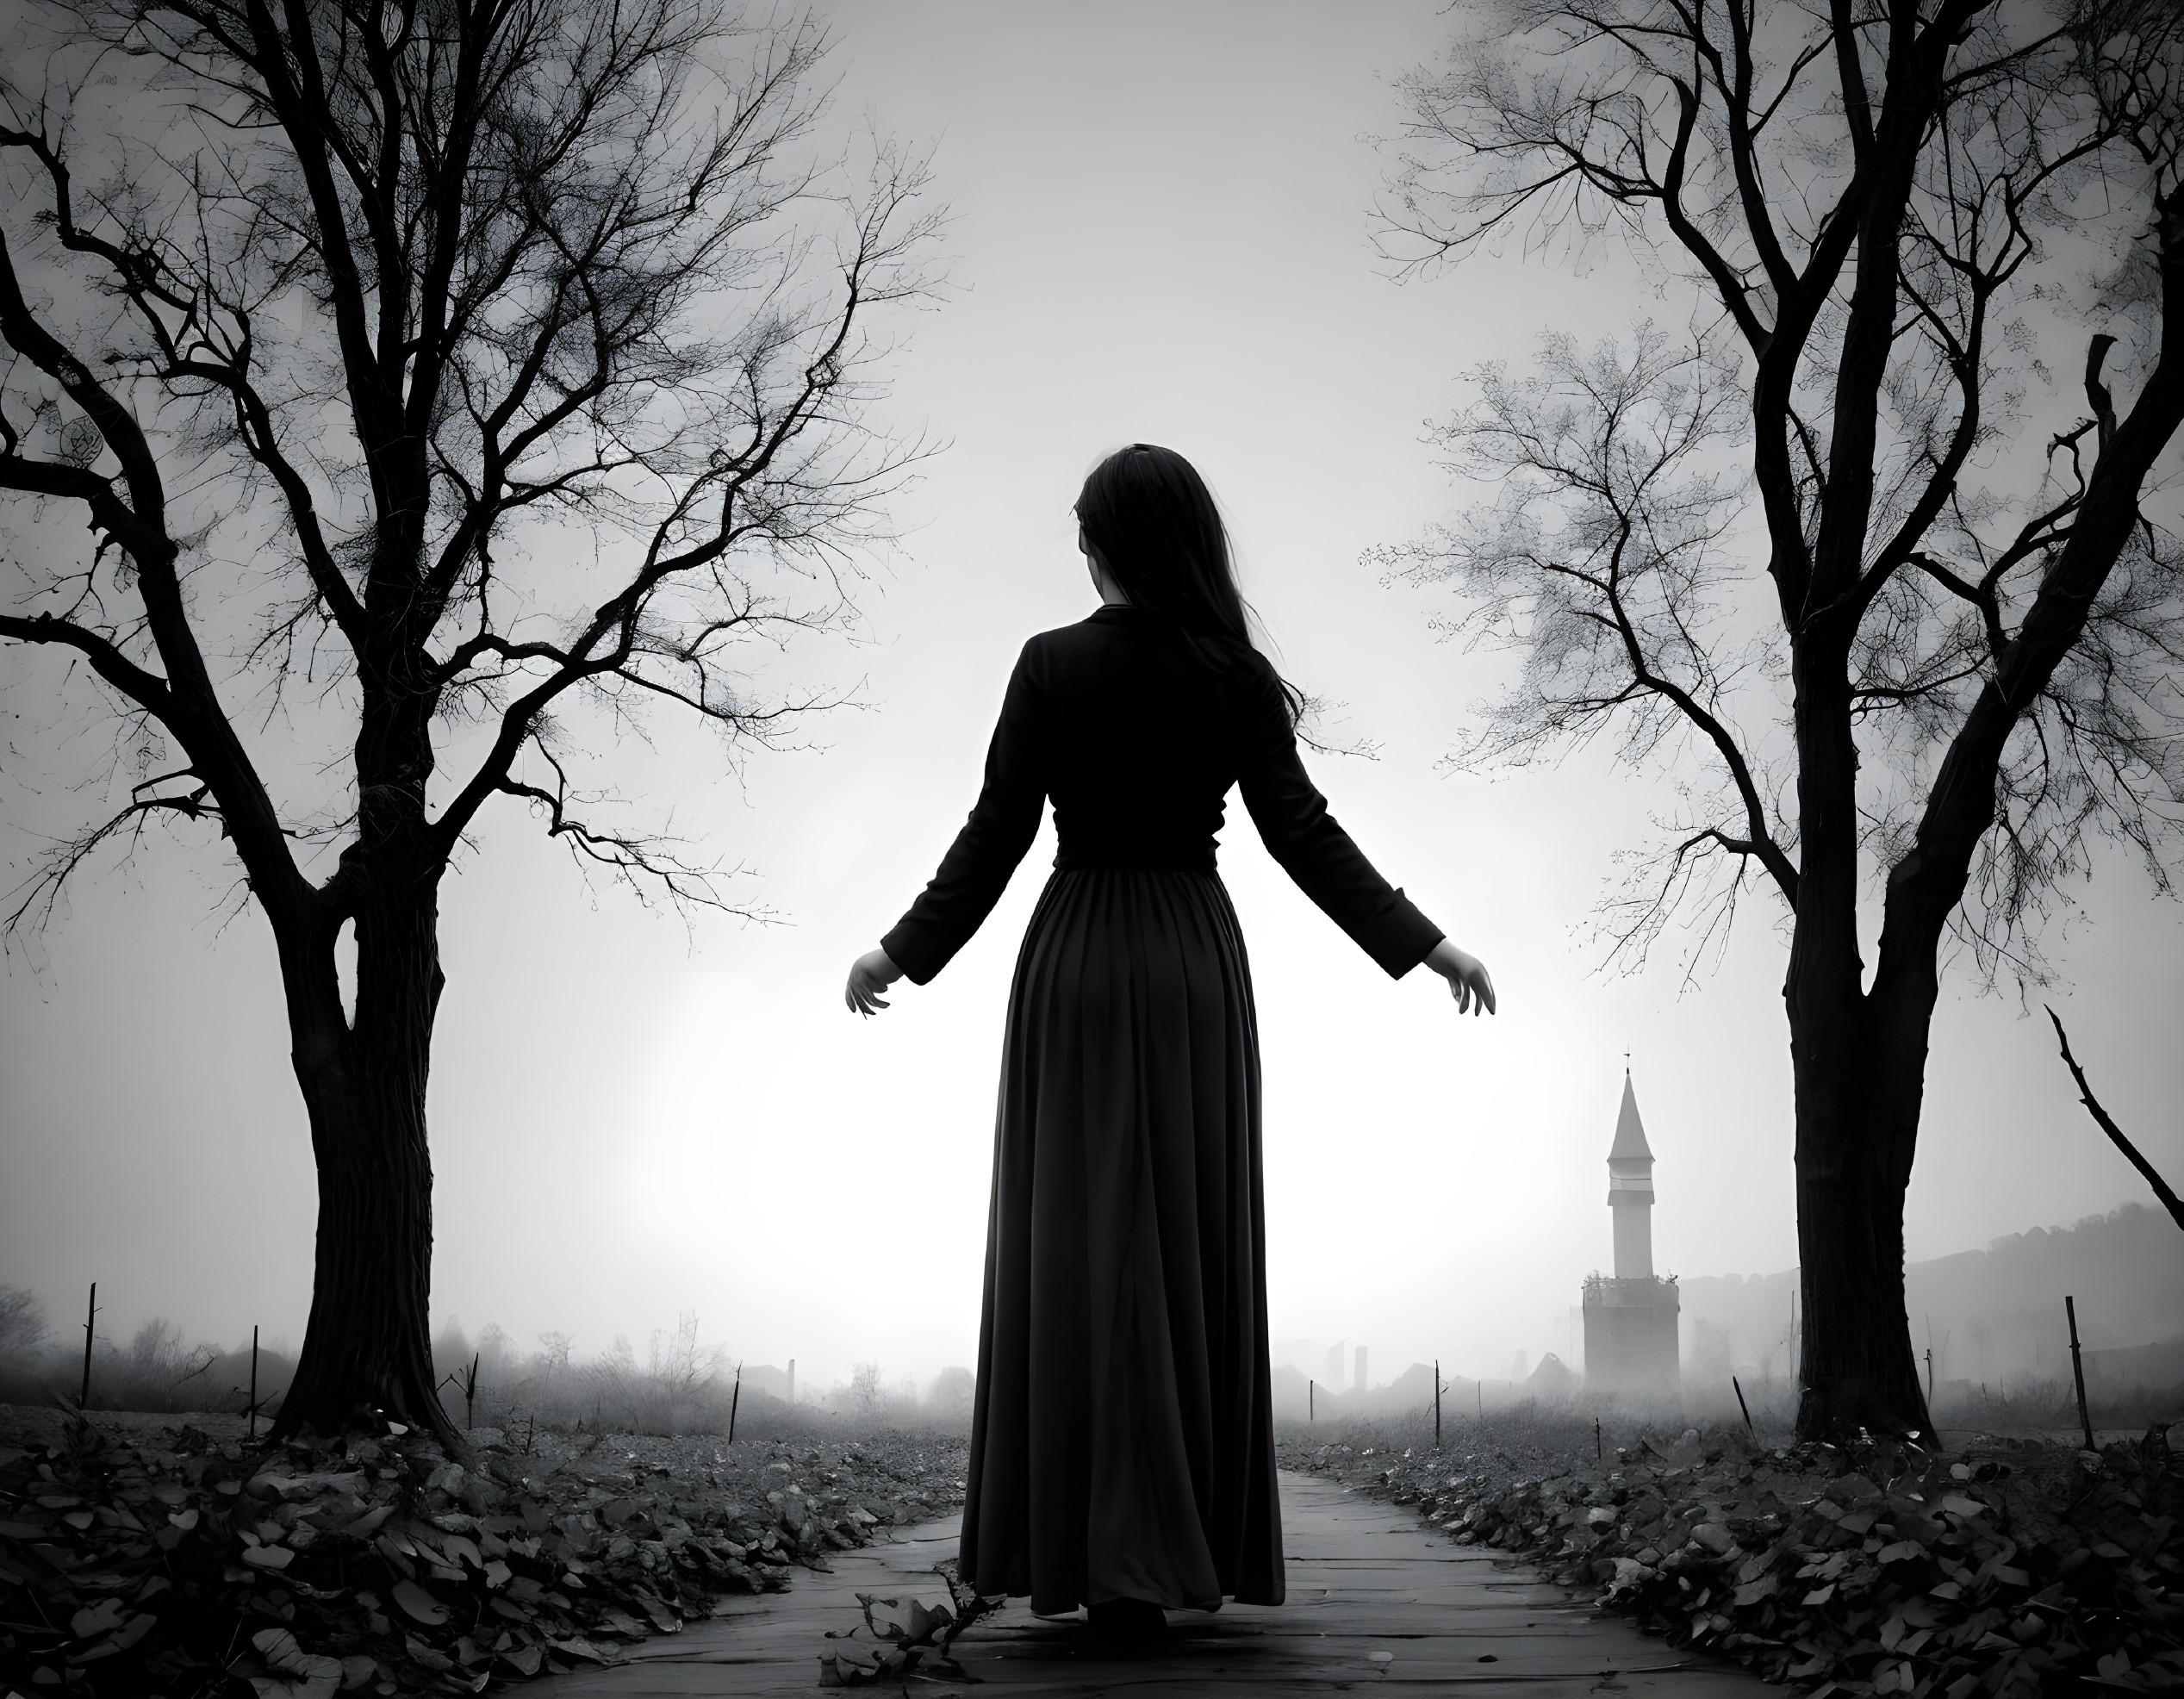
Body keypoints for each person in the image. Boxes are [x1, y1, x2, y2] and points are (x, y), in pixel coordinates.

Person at [843, 443, 1496, 1650]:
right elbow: (1302, 832)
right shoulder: (1230, 674)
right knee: (1183, 1247)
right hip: (1193, 966)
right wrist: (1427, 943)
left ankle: (1089, 1546)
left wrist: (896, 950)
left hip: (1078, 963)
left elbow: (995, 833)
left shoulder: (1049, 667)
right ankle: (1174, 1535)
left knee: (1080, 1250)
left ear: (1102, 544)